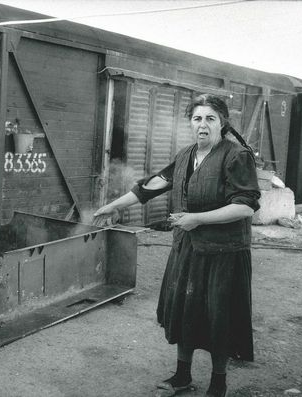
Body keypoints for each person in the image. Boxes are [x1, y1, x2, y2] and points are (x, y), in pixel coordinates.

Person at [94, 94, 260, 397]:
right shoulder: (186, 155)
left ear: (222, 123)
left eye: (210, 118)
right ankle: (182, 375)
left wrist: (197, 219)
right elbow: (151, 184)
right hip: (188, 249)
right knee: (185, 309)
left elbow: (246, 207)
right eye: (197, 118)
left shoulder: (236, 156)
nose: (203, 125)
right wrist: (114, 206)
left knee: (218, 317)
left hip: (223, 254)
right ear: (190, 124)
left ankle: (218, 383)